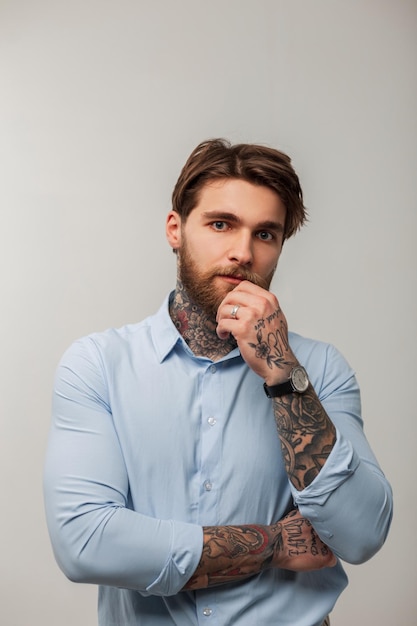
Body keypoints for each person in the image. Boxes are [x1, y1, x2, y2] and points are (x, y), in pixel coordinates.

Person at [44, 138, 393, 626]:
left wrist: (281, 373)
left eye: (266, 234)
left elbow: (360, 534)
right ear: (175, 229)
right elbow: (86, 542)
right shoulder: (98, 365)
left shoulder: (318, 369)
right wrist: (273, 545)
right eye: (221, 224)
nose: (243, 252)